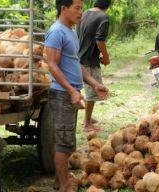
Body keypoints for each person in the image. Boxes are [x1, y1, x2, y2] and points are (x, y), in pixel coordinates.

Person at [45, 0, 109, 191]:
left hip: (70, 92)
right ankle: (64, 186)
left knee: (66, 140)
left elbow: (75, 64)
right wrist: (72, 90)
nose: (81, 12)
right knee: (64, 142)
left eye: (81, 8)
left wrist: (95, 84)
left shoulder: (71, 32)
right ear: (64, 8)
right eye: (77, 8)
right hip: (62, 93)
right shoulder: (56, 31)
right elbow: (52, 65)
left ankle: (59, 182)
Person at [78, 0, 112, 132]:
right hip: (89, 59)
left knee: (88, 90)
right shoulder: (103, 17)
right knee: (92, 92)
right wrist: (106, 57)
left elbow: (82, 36)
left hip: (80, 56)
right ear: (108, 5)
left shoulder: (84, 13)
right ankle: (87, 123)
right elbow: (100, 40)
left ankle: (88, 118)